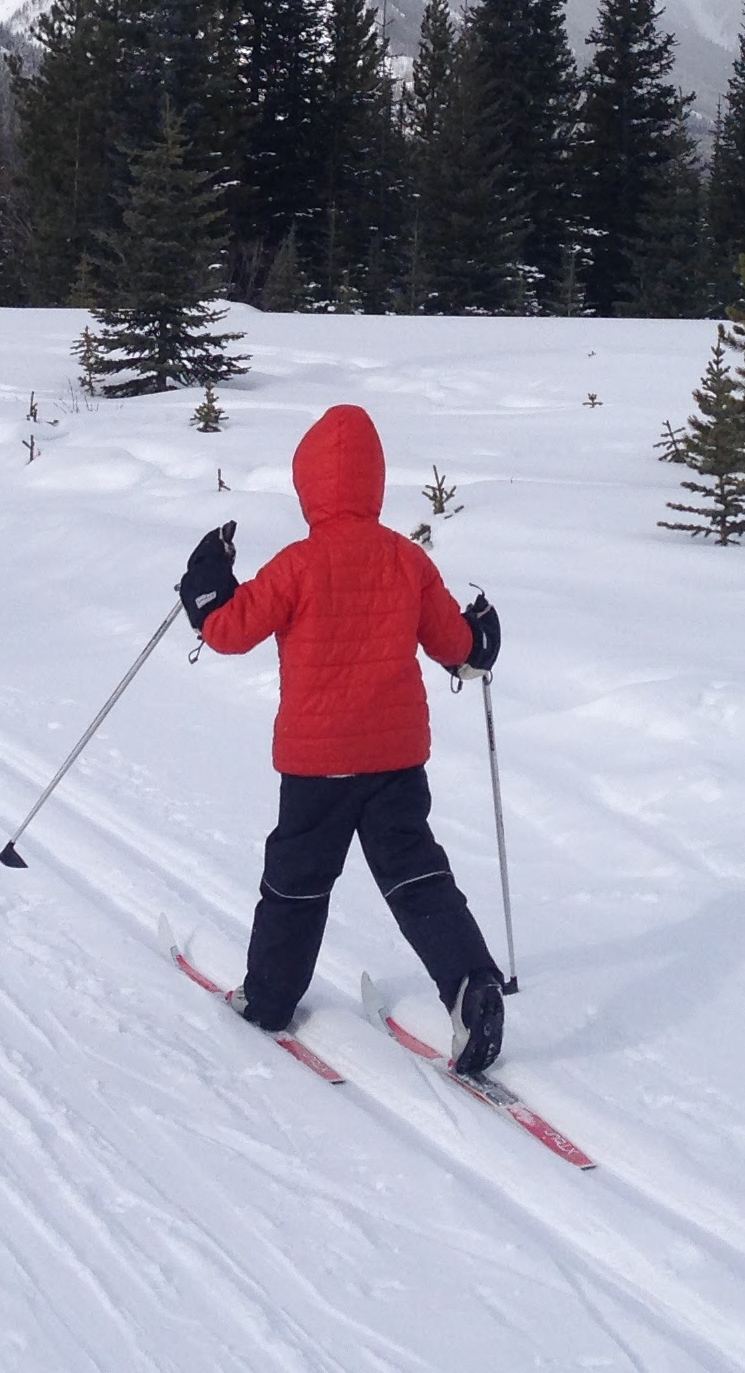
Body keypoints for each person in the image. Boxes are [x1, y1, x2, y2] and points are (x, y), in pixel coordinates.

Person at [177, 402, 508, 1073]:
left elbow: (228, 630)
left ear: (309, 487)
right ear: (374, 482)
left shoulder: (298, 564)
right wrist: (481, 634)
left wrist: (207, 585)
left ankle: (269, 1000)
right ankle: (471, 985)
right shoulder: (406, 560)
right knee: (417, 877)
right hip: (394, 760)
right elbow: (457, 648)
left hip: (318, 766)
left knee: (297, 883)